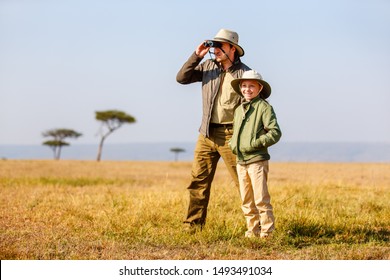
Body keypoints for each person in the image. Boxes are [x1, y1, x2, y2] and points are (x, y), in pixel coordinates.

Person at [176, 29, 251, 231]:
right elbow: (182, 78)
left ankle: (257, 227)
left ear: (232, 49)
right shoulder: (207, 66)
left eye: (220, 46)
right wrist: (197, 55)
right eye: (214, 45)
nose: (215, 49)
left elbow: (253, 106)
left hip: (232, 135)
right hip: (206, 133)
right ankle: (193, 226)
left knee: (243, 182)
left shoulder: (245, 73)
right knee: (198, 181)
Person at [229, 70, 282, 238]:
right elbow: (235, 132)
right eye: (244, 86)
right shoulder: (239, 109)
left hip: (257, 160)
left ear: (260, 88)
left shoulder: (264, 107)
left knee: (260, 198)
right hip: (241, 160)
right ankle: (252, 231)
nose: (247, 89)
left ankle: (267, 232)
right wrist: (233, 145)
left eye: (251, 86)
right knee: (246, 199)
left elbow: (275, 132)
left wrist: (254, 143)